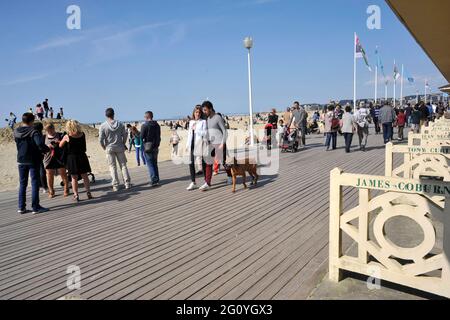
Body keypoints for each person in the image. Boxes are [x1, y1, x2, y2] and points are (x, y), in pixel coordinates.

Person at [14, 113, 50, 214]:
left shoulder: (16, 131)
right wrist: (47, 149)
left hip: (21, 159)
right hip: (33, 159)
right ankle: (36, 207)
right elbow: (39, 144)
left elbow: (17, 143)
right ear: (32, 121)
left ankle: (21, 207)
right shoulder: (34, 131)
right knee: (34, 183)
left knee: (23, 184)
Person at [201, 101, 231, 191]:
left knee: (224, 162)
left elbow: (225, 131)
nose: (204, 112)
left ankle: (230, 176)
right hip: (211, 144)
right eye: (203, 111)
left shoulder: (218, 118)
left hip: (220, 144)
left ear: (210, 109)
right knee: (208, 163)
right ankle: (207, 182)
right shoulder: (208, 119)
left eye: (205, 110)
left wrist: (223, 143)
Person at [60, 120, 93, 202]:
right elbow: (84, 147)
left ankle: (76, 195)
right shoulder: (82, 134)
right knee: (84, 176)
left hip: (72, 158)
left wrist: (64, 141)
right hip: (82, 156)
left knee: (74, 177)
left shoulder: (67, 136)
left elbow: (60, 145)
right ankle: (88, 192)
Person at [99, 108, 131, 192]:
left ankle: (115, 185)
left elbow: (100, 139)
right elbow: (125, 135)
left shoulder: (103, 126)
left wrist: (103, 147)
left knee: (112, 167)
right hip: (120, 146)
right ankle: (127, 183)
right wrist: (123, 143)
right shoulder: (120, 124)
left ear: (106, 115)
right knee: (123, 165)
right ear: (114, 114)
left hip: (109, 147)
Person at [43, 123, 69, 198]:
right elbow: (41, 147)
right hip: (48, 158)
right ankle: (51, 191)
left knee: (63, 173)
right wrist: (48, 146)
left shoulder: (60, 135)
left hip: (59, 157)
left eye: (51, 129)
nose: (50, 131)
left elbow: (65, 144)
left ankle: (66, 188)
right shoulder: (44, 137)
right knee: (49, 174)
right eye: (48, 130)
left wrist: (58, 143)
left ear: (54, 128)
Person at [186, 105, 207, 191]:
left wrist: (197, 129)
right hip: (192, 144)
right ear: (193, 113)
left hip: (200, 144)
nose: (197, 114)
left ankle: (206, 181)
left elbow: (205, 133)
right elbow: (189, 134)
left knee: (203, 163)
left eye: (199, 112)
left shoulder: (203, 121)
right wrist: (187, 145)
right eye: (196, 112)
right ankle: (193, 182)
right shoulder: (191, 122)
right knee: (191, 163)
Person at [141, 111, 161, 187]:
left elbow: (141, 137)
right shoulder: (157, 125)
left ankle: (154, 180)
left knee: (150, 164)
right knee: (155, 163)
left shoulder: (144, 125)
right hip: (156, 146)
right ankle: (157, 179)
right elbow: (159, 135)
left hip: (148, 146)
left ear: (147, 117)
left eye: (144, 117)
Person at [33, 122, 49, 194]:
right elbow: (40, 144)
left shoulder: (31, 134)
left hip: (32, 155)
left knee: (37, 171)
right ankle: (45, 187)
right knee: (42, 170)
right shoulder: (39, 134)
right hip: (39, 155)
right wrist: (46, 150)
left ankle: (39, 185)